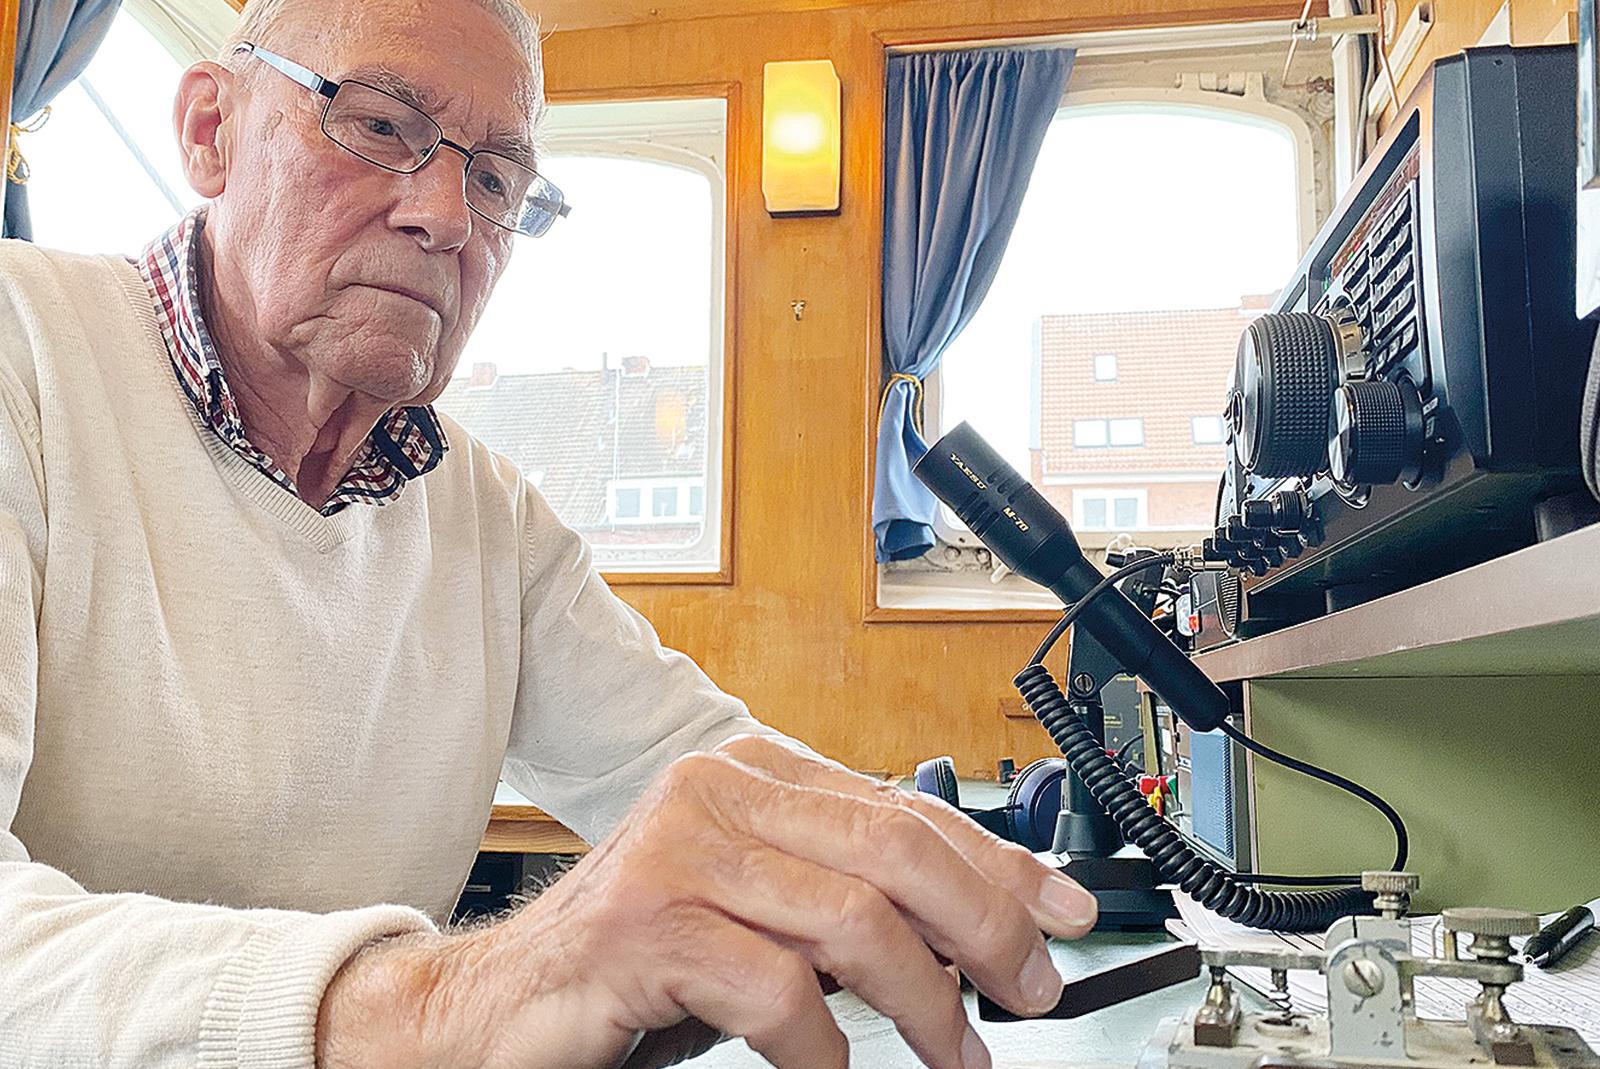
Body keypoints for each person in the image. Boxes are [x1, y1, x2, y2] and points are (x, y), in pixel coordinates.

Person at [0, 0, 1098, 1065]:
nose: (445, 216)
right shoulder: (23, 353)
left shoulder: (486, 514)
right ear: (211, 130)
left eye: (495, 180)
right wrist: (462, 998)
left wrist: (946, 872)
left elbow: (696, 765)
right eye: (379, 124)